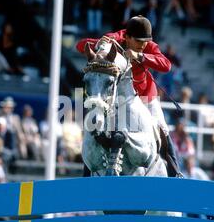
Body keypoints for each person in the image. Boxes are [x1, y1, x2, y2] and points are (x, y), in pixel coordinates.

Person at [76, 15, 183, 177]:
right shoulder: (115, 41)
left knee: (163, 128)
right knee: (95, 129)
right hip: (118, 100)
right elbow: (80, 45)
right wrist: (100, 44)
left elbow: (166, 65)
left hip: (146, 97)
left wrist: (141, 56)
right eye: (139, 41)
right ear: (127, 37)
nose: (143, 45)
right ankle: (88, 172)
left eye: (145, 41)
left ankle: (175, 172)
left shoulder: (148, 47)